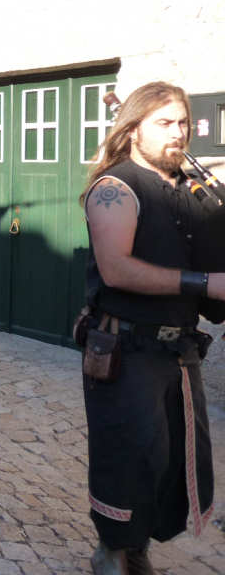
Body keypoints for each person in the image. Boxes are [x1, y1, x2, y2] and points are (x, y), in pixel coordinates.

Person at [79, 82, 225, 575]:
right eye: (163, 123)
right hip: (126, 349)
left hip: (178, 350)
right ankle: (114, 550)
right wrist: (205, 282)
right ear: (133, 129)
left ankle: (136, 543)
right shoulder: (115, 188)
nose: (177, 132)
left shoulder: (187, 187)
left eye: (182, 122)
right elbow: (116, 269)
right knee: (129, 455)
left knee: (169, 459)